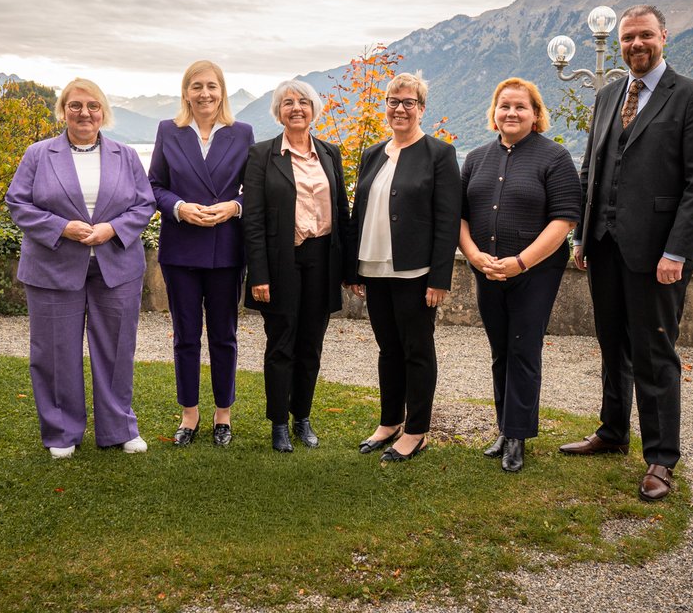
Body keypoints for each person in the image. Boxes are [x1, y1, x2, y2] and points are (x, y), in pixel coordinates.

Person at [561, 4, 693, 501]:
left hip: (659, 254)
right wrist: (584, 237)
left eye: (644, 36)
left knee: (654, 354)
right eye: (628, 37)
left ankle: (661, 459)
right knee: (612, 344)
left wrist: (677, 251)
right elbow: (591, 169)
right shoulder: (609, 94)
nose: (634, 44)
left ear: (663, 37)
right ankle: (612, 432)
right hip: (605, 247)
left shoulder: (692, 96)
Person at [6, 78, 156, 459]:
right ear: (63, 111)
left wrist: (112, 229)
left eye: (92, 105)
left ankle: (119, 428)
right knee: (55, 351)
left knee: (117, 349)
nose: (84, 112)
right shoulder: (38, 154)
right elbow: (18, 203)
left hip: (117, 266)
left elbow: (144, 205)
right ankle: (61, 431)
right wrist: (61, 228)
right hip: (53, 266)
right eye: (75, 105)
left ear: (103, 112)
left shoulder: (125, 155)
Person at [458, 78, 580, 473]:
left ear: (535, 113)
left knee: (523, 349)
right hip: (487, 271)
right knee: (500, 350)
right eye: (504, 106)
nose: (511, 113)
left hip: (535, 273)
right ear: (494, 112)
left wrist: (521, 262)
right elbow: (458, 215)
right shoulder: (476, 158)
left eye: (520, 107)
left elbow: (563, 220)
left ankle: (518, 437)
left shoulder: (554, 157)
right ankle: (504, 428)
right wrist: (475, 256)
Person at [348, 72, 461, 463]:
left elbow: (448, 220)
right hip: (374, 266)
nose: (400, 109)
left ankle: (417, 431)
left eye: (408, 102)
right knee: (387, 349)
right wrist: (354, 267)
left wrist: (439, 277)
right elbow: (358, 210)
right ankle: (389, 421)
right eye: (393, 101)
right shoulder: (373, 153)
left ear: (421, 108)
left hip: (415, 272)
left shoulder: (439, 154)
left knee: (417, 349)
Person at [148, 60, 253, 448]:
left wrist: (234, 207)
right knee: (186, 336)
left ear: (222, 91)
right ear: (186, 92)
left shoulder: (241, 133)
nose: (204, 93)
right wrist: (179, 208)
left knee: (224, 336)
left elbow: (254, 188)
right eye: (197, 86)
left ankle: (222, 415)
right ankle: (189, 414)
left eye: (211, 86)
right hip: (181, 250)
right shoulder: (168, 132)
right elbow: (155, 185)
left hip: (226, 250)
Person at [243, 80, 350, 452]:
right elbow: (253, 219)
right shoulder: (262, 155)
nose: (296, 108)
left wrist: (348, 270)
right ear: (278, 111)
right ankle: (278, 423)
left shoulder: (329, 153)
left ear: (314, 109)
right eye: (288, 103)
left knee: (311, 344)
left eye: (303, 102)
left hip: (322, 258)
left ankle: (302, 417)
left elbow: (342, 211)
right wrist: (258, 274)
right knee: (281, 343)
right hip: (281, 261)